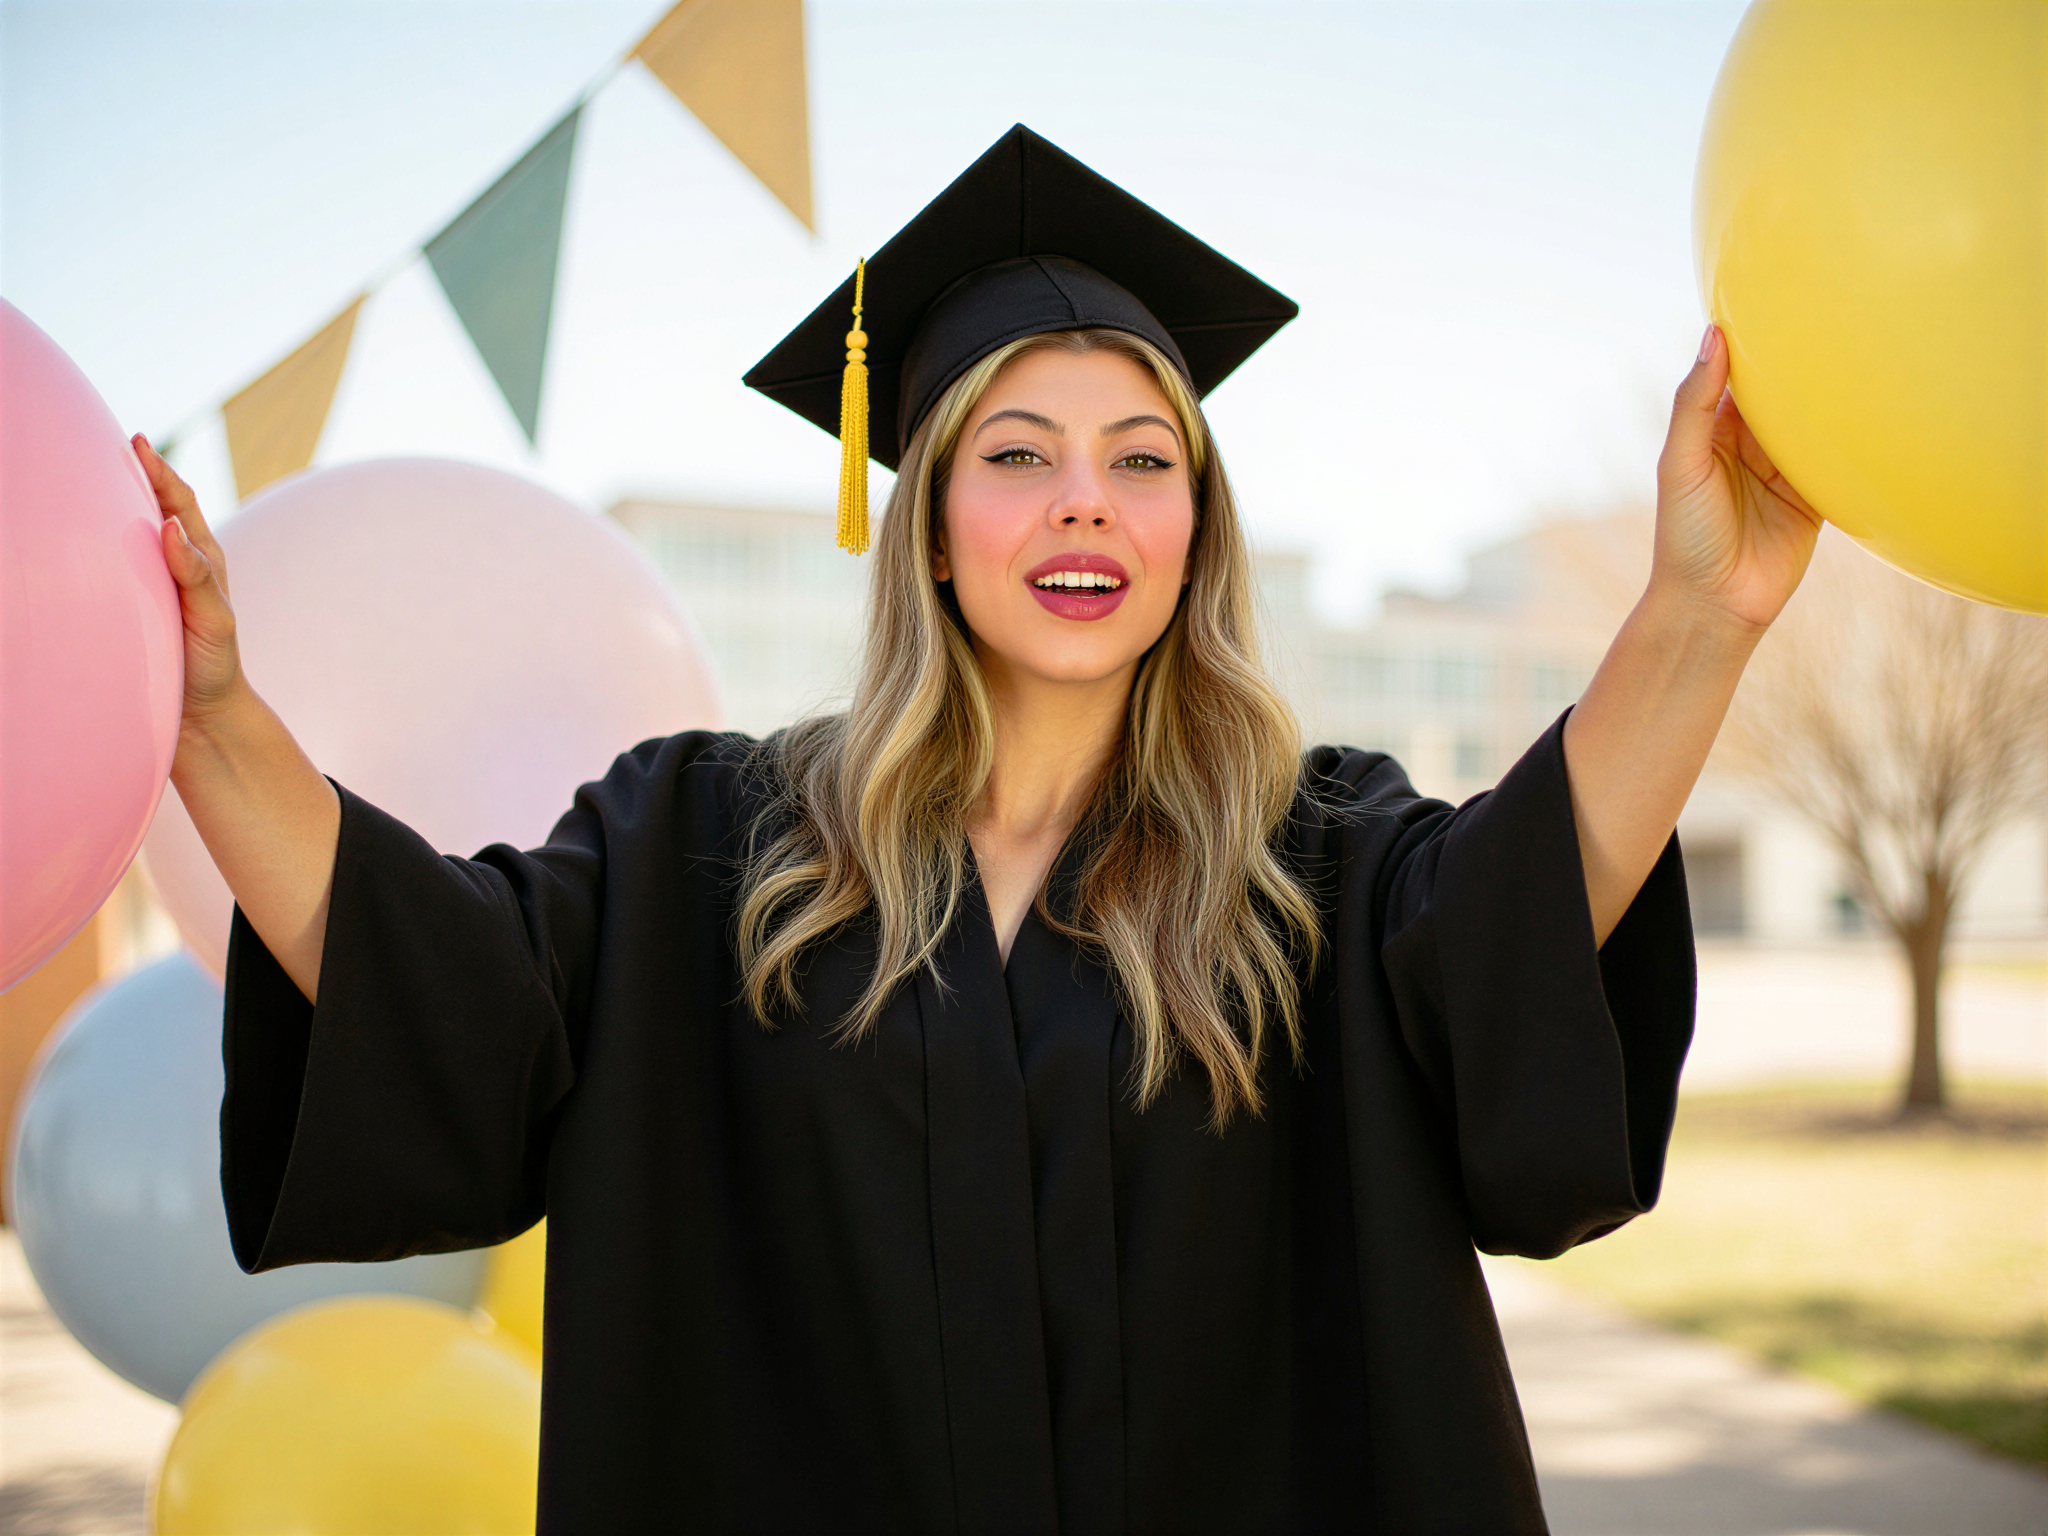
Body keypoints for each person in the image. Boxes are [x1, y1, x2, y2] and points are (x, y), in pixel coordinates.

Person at [142, 126, 1819, 1534]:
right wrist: (214, 717)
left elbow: (1523, 920)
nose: (1085, 496)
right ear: (931, 523)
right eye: (1017, 452)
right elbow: (426, 985)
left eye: (1141, 460)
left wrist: (1698, 618)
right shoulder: (705, 852)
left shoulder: (1320, 858)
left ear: (1188, 534)